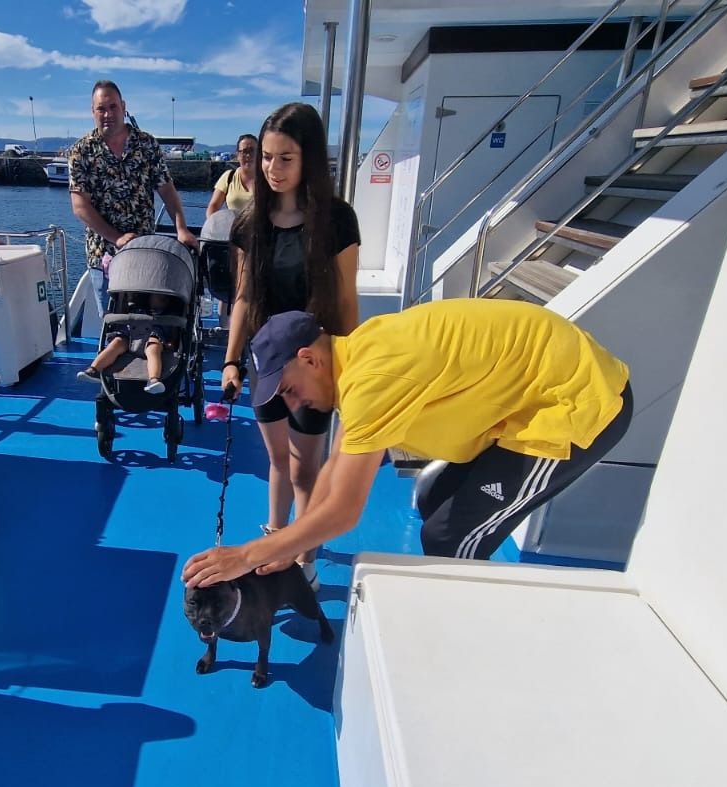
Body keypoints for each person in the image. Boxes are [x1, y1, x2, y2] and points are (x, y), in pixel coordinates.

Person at [182, 300, 633, 588]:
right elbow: (335, 465)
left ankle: (471, 650)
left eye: (288, 388)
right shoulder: (358, 354)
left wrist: (248, 554)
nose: (292, 402)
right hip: (526, 401)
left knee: (450, 537)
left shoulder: (373, 381)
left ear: (310, 359)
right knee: (435, 497)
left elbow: (343, 511)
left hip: (575, 402)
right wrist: (293, 551)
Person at [221, 102, 360, 590]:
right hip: (265, 362)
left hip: (314, 365)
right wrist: (232, 359)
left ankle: (303, 560)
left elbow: (346, 298)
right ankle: (273, 542)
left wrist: (347, 365)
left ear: (310, 161)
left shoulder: (338, 221)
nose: (273, 170)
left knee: (307, 468)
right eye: (266, 158)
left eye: (286, 159)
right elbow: (243, 296)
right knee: (277, 462)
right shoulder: (247, 224)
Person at [69, 80, 197, 314]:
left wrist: (181, 228)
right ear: (92, 112)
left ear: (123, 106)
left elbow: (166, 190)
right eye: (101, 108)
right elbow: (80, 206)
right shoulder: (81, 151)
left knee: (144, 321)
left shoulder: (147, 144)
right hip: (102, 254)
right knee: (112, 324)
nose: (107, 114)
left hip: (143, 251)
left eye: (113, 106)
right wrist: (116, 237)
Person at [77, 291, 173, 394]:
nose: (162, 299)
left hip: (154, 335)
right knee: (116, 343)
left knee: (153, 349)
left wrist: (172, 341)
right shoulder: (136, 307)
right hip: (130, 334)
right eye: (158, 296)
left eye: (163, 298)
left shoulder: (169, 312)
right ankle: (94, 369)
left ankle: (154, 379)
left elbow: (175, 328)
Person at [205, 133, 257, 215]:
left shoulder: (267, 178)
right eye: (244, 151)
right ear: (238, 155)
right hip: (233, 227)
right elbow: (213, 206)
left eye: (252, 151)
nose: (248, 155)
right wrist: (214, 225)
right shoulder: (229, 177)